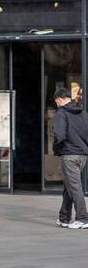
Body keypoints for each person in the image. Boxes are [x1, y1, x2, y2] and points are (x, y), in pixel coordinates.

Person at [52, 82, 88, 228]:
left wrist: (56, 148)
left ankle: (83, 219)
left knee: (74, 187)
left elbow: (59, 135)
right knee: (69, 186)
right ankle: (64, 218)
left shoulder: (61, 113)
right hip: (83, 155)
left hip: (69, 155)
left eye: (56, 102)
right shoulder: (83, 112)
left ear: (59, 100)